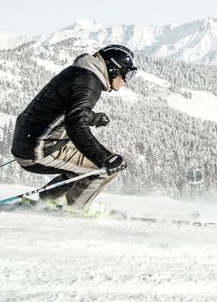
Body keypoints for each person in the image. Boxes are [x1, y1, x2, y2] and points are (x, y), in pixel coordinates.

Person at [10, 44, 137, 214]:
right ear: (113, 68)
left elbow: (67, 109)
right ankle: (77, 208)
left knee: (81, 167)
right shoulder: (88, 82)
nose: (126, 80)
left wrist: (93, 117)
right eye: (127, 73)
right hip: (39, 149)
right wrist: (103, 157)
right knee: (104, 167)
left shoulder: (79, 74)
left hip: (28, 142)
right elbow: (75, 122)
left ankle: (49, 200)